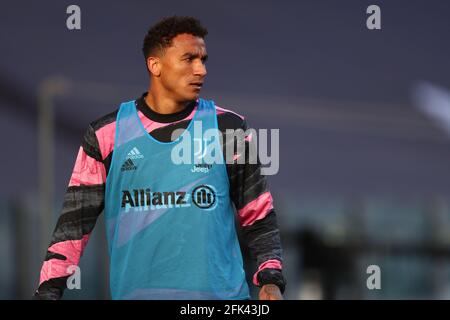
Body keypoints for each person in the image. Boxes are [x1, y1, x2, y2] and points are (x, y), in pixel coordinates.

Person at [34, 16, 286, 300]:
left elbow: (259, 215)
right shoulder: (106, 135)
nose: (200, 70)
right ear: (154, 65)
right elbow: (73, 226)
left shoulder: (228, 129)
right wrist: (48, 291)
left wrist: (271, 279)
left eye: (203, 59)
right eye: (189, 59)